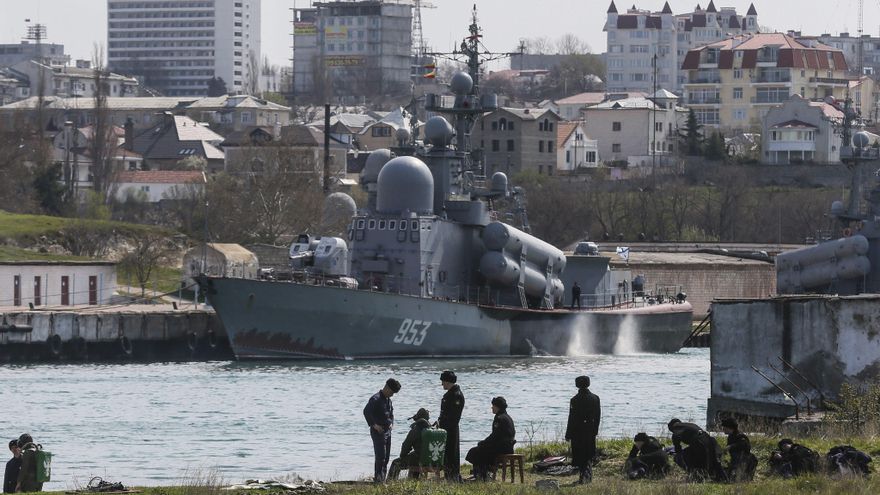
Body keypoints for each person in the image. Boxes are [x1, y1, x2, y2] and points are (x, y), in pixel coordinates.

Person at [466, 396, 516, 481]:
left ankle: (481, 474)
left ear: (497, 407)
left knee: (475, 451)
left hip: (501, 448)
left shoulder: (499, 418)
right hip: (508, 447)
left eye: (493, 406)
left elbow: (495, 436)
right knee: (481, 449)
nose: (492, 407)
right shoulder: (507, 417)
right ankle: (483, 472)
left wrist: (483, 443)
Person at [363, 378, 401, 483]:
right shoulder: (375, 399)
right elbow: (366, 412)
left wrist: (391, 424)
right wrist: (374, 425)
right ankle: (378, 480)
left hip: (387, 432)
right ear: (387, 388)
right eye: (392, 392)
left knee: (387, 457)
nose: (392, 395)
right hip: (378, 431)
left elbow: (391, 414)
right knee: (381, 457)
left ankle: (382, 479)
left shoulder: (388, 400)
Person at [565, 375, 600, 483]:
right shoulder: (595, 398)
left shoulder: (575, 400)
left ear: (577, 385)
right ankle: (588, 476)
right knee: (588, 454)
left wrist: (568, 433)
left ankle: (583, 477)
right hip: (590, 430)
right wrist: (595, 430)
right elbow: (598, 416)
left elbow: (572, 418)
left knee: (580, 455)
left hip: (577, 431)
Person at [387, 408, 431, 481]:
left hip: (418, 459)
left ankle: (390, 482)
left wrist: (403, 456)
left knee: (395, 463)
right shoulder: (432, 429)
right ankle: (413, 480)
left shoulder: (415, 430)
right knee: (413, 457)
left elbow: (406, 446)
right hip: (431, 460)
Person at [437, 370, 464, 481]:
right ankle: (449, 476)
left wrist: (443, 425)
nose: (442, 384)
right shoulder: (450, 394)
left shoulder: (456, 395)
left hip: (451, 429)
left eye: (443, 381)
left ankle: (454, 477)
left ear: (448, 382)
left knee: (452, 454)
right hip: (445, 428)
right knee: (446, 454)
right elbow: (444, 413)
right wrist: (439, 421)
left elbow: (454, 416)